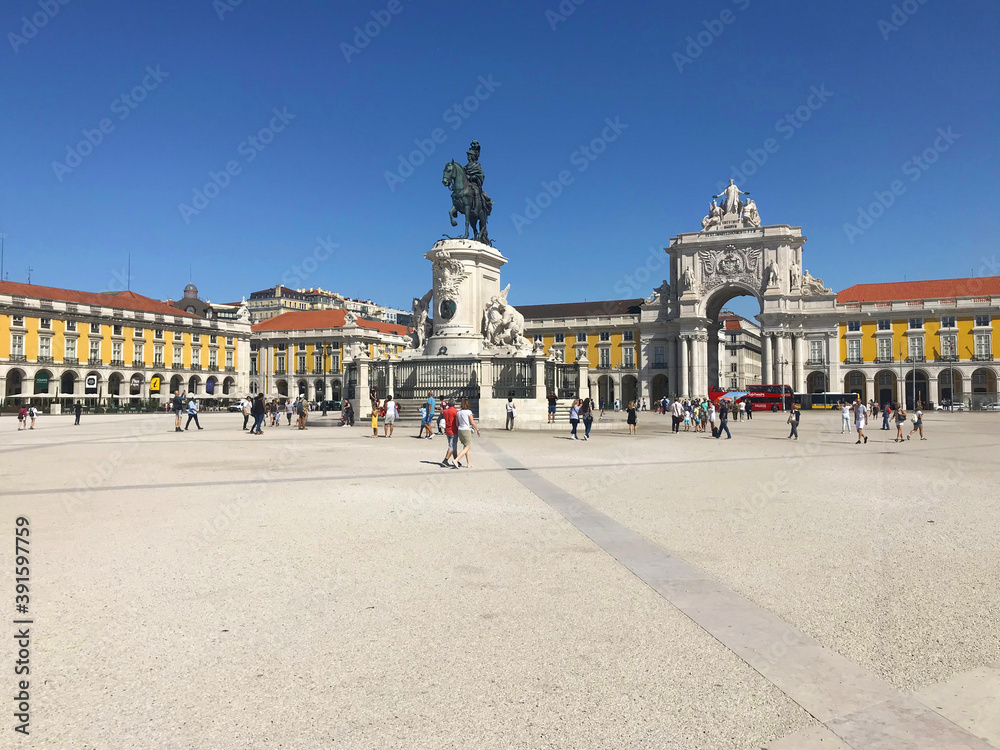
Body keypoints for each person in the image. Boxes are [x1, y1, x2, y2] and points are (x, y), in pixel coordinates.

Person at [454, 399, 481, 467]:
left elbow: (457, 423)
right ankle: (456, 460)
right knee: (467, 446)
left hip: (460, 429)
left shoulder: (458, 412)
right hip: (466, 429)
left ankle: (469, 463)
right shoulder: (469, 412)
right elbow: (472, 422)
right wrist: (477, 429)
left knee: (466, 446)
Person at [441, 399, 460, 467]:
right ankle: (445, 460)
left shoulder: (445, 411)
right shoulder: (455, 411)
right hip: (453, 430)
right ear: (454, 404)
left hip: (447, 429)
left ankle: (456, 460)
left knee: (454, 446)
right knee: (451, 446)